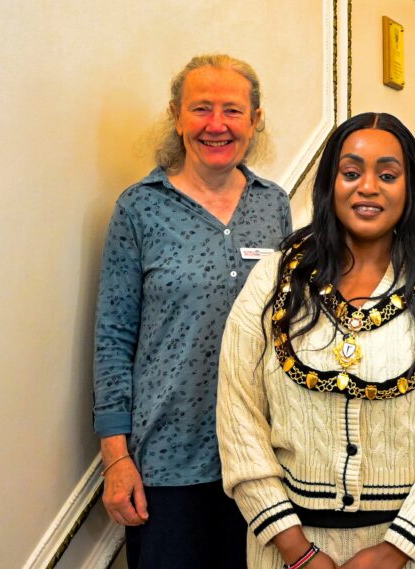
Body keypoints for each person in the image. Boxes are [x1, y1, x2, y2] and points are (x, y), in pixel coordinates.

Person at [217, 112, 415, 569]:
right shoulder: (274, 279)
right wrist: (297, 551)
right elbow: (238, 418)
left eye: (388, 174)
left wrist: (396, 549)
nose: (368, 187)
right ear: (330, 183)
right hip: (285, 550)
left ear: (411, 188)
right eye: (351, 172)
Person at [93, 54, 292, 569]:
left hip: (263, 456)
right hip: (167, 463)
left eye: (232, 110)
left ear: (255, 119)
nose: (216, 125)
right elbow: (113, 338)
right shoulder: (139, 208)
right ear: (177, 117)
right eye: (201, 109)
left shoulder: (275, 206)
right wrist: (116, 458)